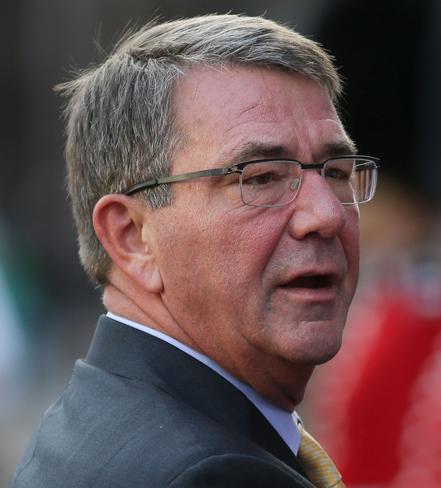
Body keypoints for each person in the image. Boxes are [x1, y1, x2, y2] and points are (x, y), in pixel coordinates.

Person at [11, 13, 379, 488]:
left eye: (336, 171)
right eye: (260, 177)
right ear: (131, 237)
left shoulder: (95, 419)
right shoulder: (212, 475)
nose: (326, 214)